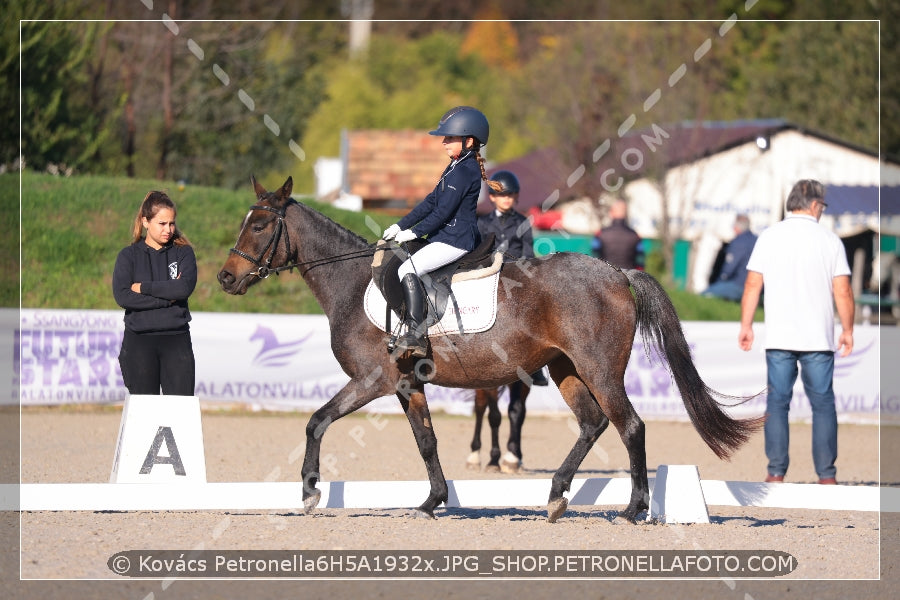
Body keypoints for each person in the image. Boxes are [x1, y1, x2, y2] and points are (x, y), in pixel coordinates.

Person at [738, 179, 854, 485]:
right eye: (823, 206)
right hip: (818, 338)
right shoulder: (830, 240)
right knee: (823, 405)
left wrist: (747, 324)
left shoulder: (769, 236)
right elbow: (842, 291)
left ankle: (776, 472)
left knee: (777, 403)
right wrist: (848, 329)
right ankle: (826, 476)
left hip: (779, 336)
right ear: (815, 205)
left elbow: (753, 284)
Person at [382, 106, 503, 358]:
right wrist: (401, 225)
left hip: (456, 240)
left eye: (450, 138)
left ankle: (416, 335)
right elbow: (430, 202)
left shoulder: (464, 171)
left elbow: (443, 213)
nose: (444, 142)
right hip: (446, 236)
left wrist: (414, 233)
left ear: (468, 140)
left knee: (408, 269)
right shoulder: (455, 166)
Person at [113, 191, 197, 395]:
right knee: (144, 414)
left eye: (172, 223)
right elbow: (123, 296)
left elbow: (184, 288)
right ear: (145, 222)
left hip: (177, 341)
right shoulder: (128, 256)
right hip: (139, 342)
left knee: (178, 413)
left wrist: (143, 287)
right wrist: (169, 298)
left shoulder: (184, 252)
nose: (168, 229)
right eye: (162, 223)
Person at [477, 170, 549, 394]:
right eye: (502, 195)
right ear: (492, 197)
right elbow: (478, 252)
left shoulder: (523, 223)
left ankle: (536, 365)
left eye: (510, 195)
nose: (506, 198)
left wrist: (517, 273)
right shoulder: (481, 223)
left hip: (516, 277)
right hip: (488, 275)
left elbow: (528, 254)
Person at [701, 214, 757, 302]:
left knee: (704, 295)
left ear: (737, 227)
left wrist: (720, 280)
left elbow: (729, 269)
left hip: (740, 285)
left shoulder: (738, 242)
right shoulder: (756, 240)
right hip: (757, 286)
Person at [591, 199, 645, 270]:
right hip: (629, 277)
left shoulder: (600, 234)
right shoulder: (635, 236)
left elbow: (594, 257)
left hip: (606, 275)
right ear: (625, 214)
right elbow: (640, 260)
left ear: (611, 213)